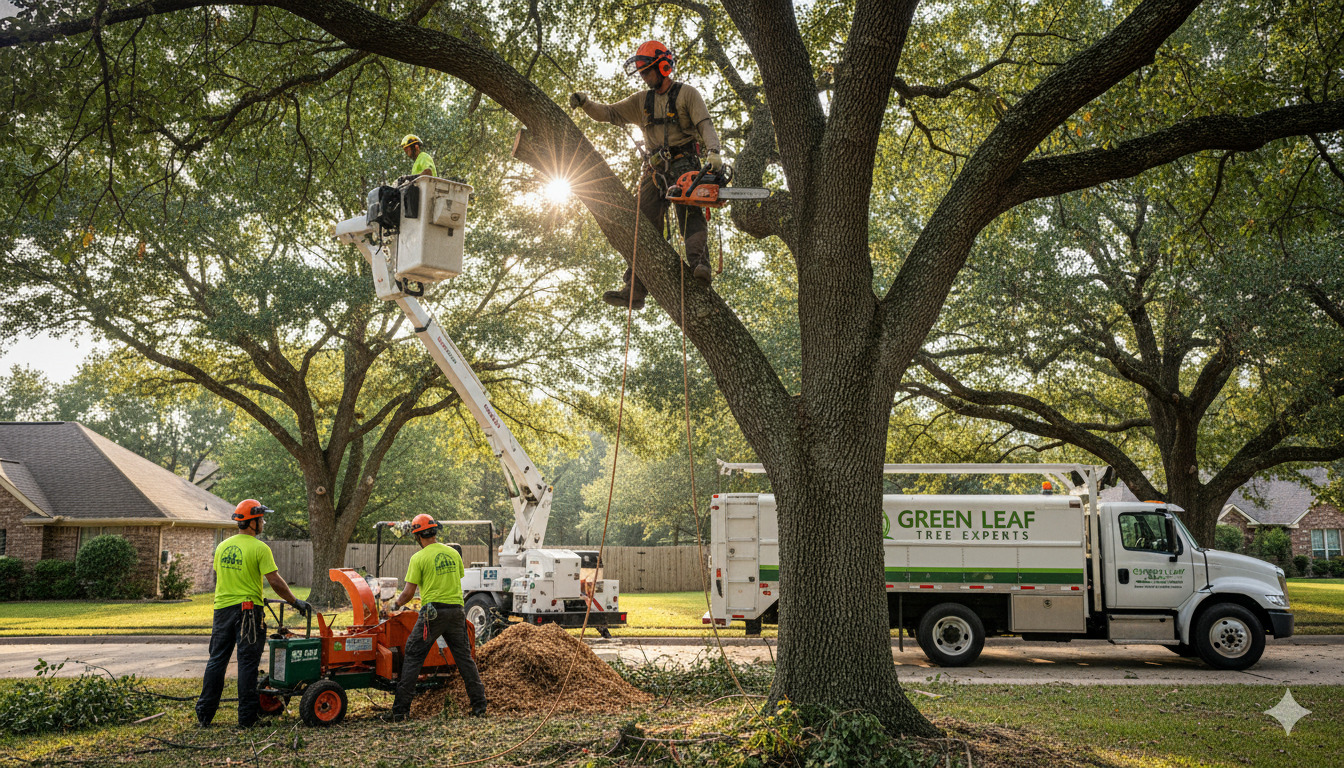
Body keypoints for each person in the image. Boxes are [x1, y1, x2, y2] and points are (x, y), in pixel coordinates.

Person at [570, 40, 723, 310]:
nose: (643, 77)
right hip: (654, 169)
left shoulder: (688, 95)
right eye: (641, 72)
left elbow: (705, 124)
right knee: (641, 224)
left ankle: (700, 266)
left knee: (690, 214)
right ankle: (635, 288)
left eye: (647, 71)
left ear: (663, 67)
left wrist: (713, 152)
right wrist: (586, 103)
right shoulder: (642, 101)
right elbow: (609, 113)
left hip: (684, 163)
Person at [196, 500, 310, 728]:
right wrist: (295, 601)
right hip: (247, 613)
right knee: (247, 663)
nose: (264, 522)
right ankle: (247, 718)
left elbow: (222, 575)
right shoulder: (260, 548)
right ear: (252, 521)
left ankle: (205, 714)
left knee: (217, 660)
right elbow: (275, 581)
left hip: (221, 610)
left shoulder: (222, 547)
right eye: (262, 518)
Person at [382, 514, 487, 721]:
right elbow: (455, 580)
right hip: (457, 612)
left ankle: (400, 712)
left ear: (417, 536)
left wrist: (393, 605)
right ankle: (480, 707)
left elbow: (408, 594)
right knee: (465, 659)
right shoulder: (453, 554)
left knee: (413, 655)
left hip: (432, 614)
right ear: (434, 531)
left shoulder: (418, 558)